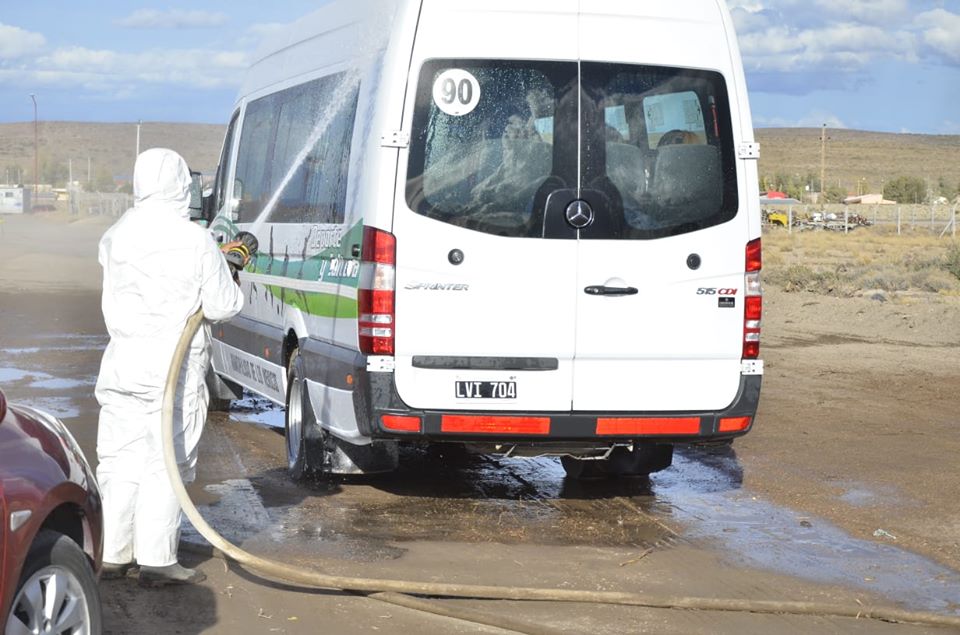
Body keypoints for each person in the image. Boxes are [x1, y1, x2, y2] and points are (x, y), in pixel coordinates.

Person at [95, 148, 245, 586]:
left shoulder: (116, 235)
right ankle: (158, 559)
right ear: (182, 186)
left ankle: (114, 553)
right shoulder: (195, 241)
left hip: (122, 367)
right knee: (167, 462)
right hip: (171, 375)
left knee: (119, 461)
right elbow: (222, 306)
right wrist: (229, 266)